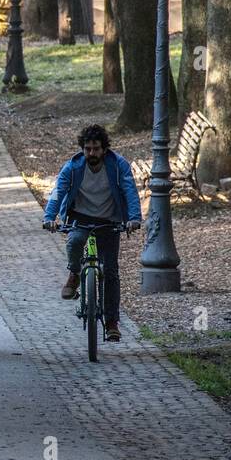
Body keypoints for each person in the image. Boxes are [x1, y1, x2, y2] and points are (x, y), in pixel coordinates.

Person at [42, 124, 142, 342]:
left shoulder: (117, 165)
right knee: (74, 241)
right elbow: (58, 191)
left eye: (96, 149)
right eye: (87, 149)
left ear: (104, 149)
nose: (91, 153)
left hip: (109, 220)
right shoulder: (73, 167)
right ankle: (75, 273)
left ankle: (112, 322)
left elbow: (129, 191)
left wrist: (134, 218)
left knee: (111, 271)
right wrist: (49, 217)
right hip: (81, 217)